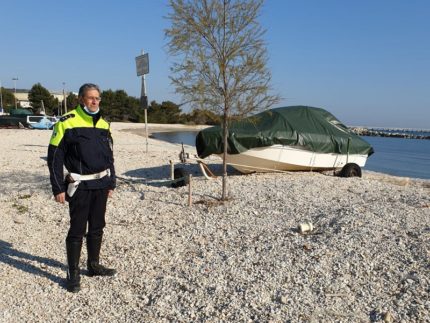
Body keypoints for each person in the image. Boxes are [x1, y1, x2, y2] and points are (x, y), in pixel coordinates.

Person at [47, 83, 116, 293]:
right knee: (77, 229)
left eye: (98, 98)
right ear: (81, 99)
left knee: (97, 226)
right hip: (79, 186)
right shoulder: (66, 122)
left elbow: (110, 156)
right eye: (90, 98)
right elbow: (54, 158)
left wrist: (111, 181)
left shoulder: (104, 124)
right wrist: (58, 187)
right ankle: (73, 272)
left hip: (101, 184)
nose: (95, 102)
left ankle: (93, 265)